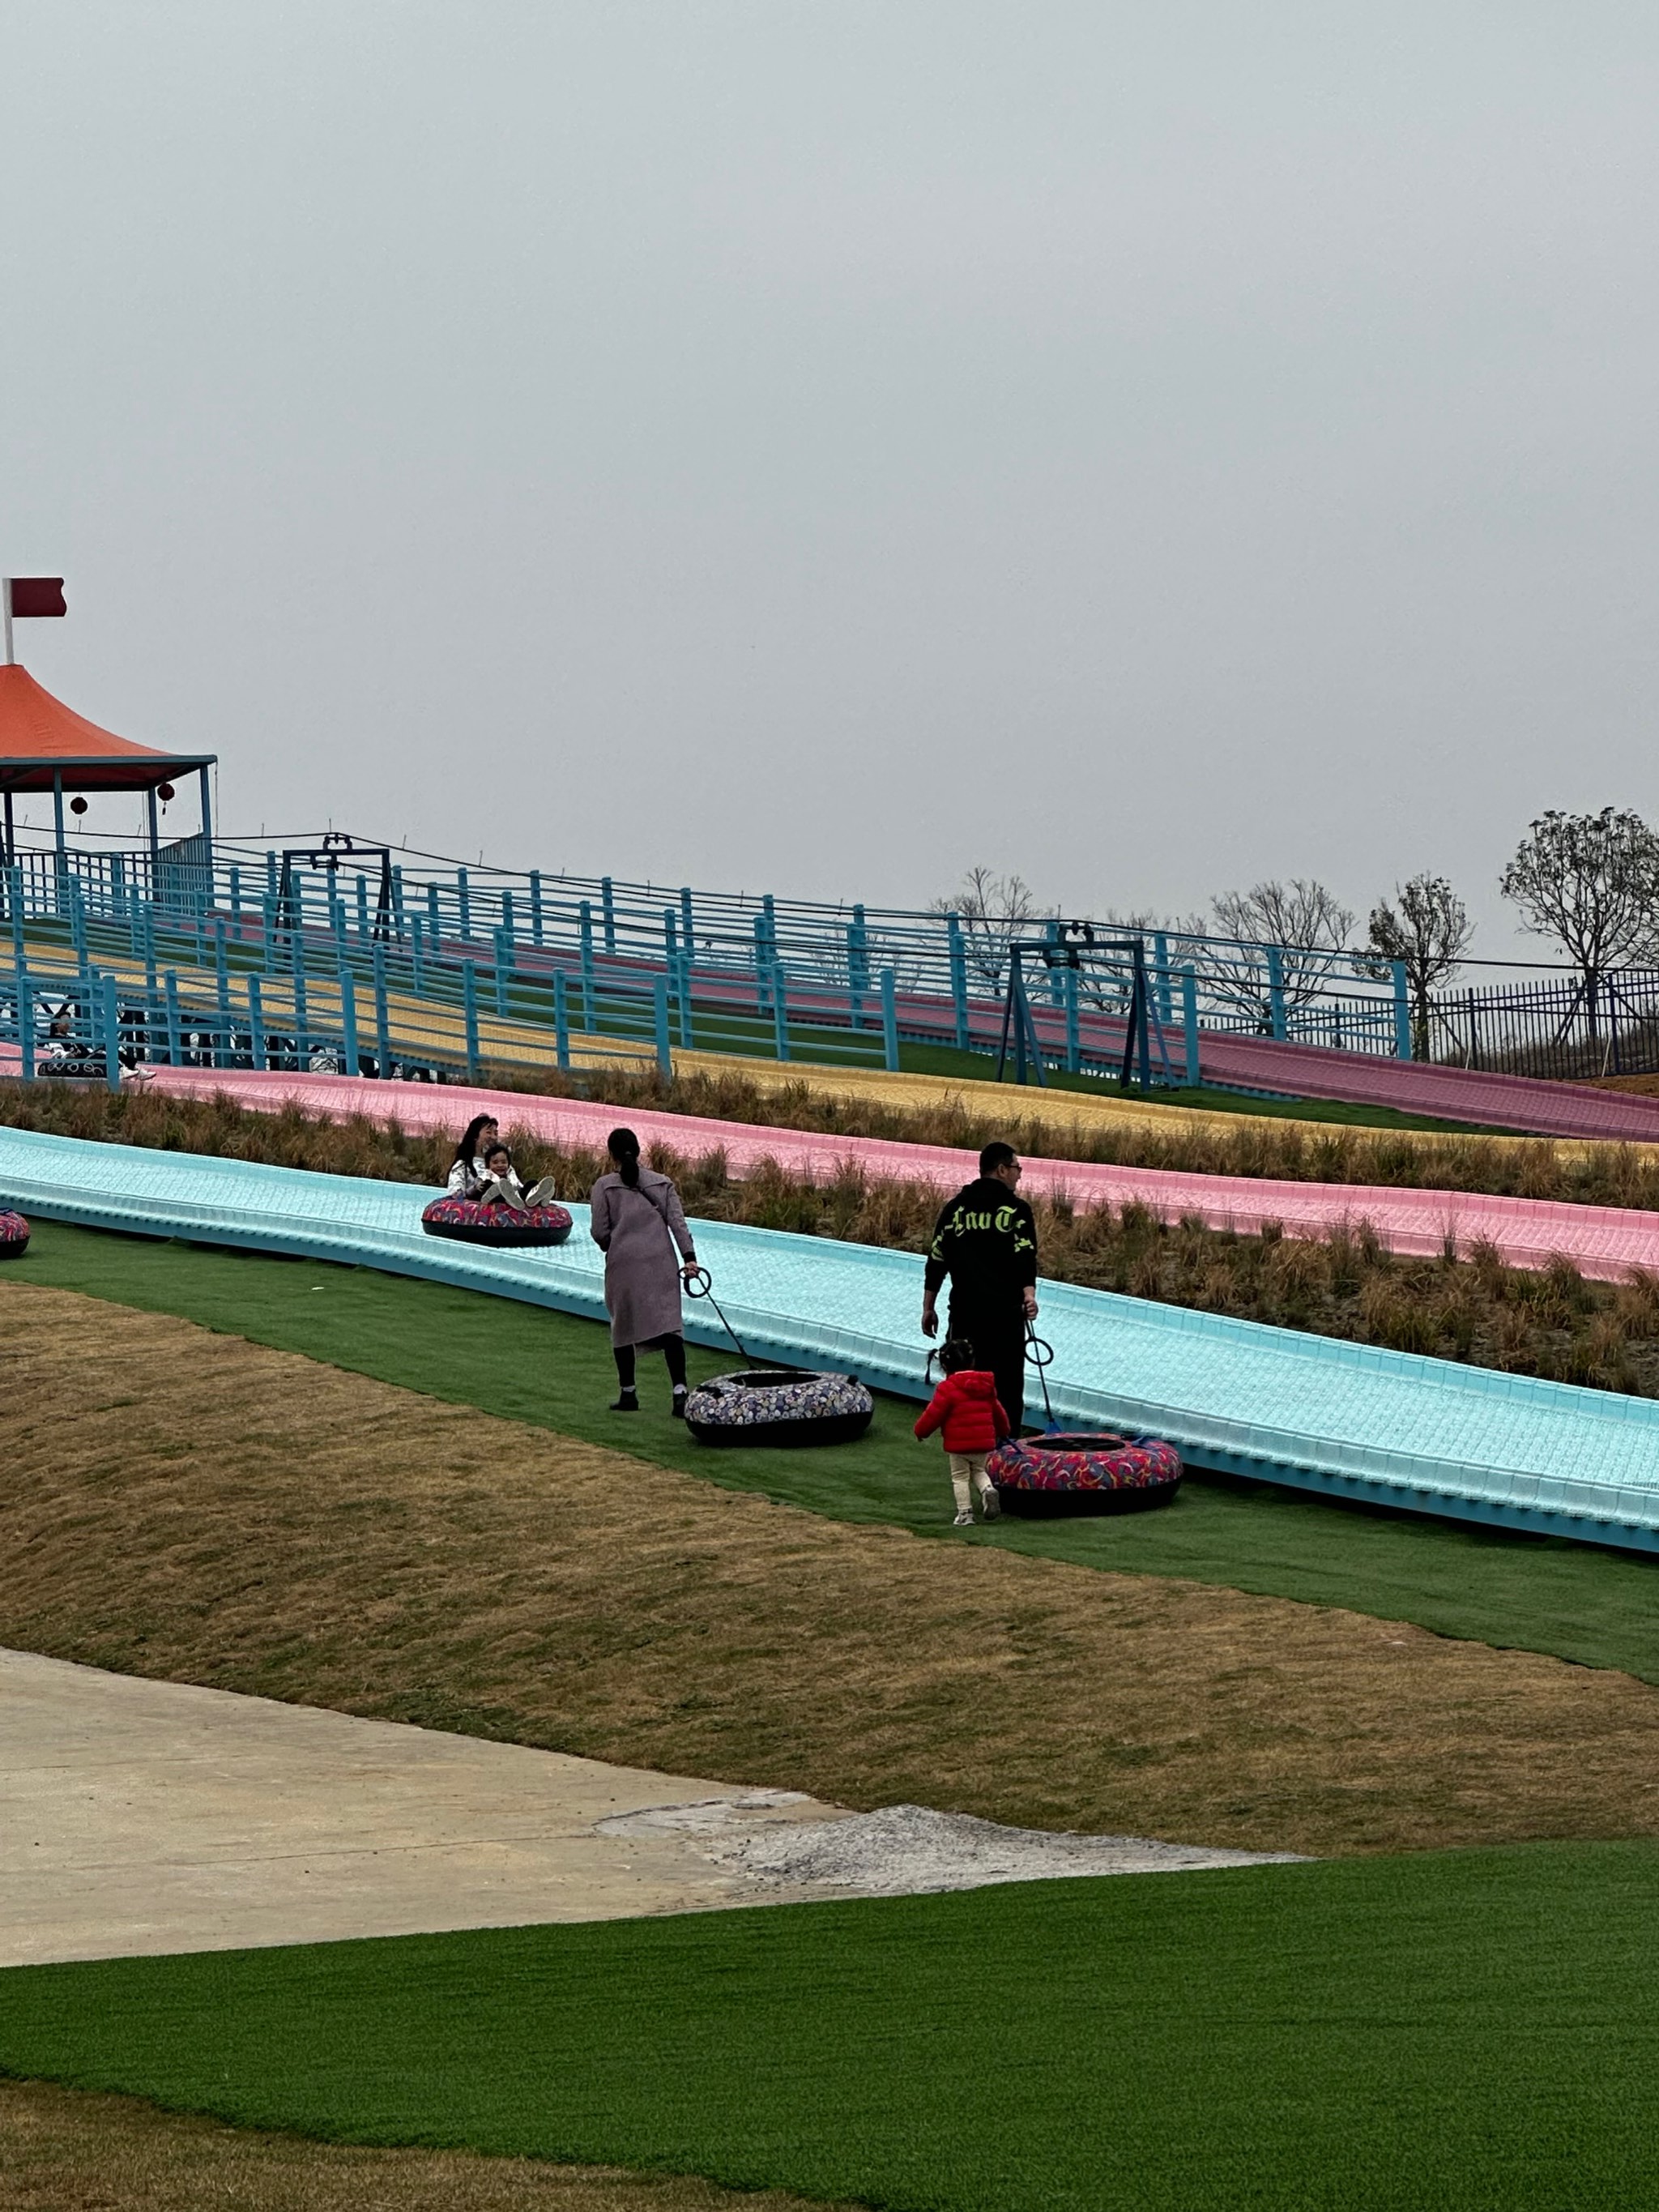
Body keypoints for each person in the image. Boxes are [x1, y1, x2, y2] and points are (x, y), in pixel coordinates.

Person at [920, 1140, 1038, 1436]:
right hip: (1006, 1317)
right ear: (1001, 1170)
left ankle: (964, 1440)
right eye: (1016, 1168)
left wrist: (928, 1306)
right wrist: (1029, 1295)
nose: (1019, 1175)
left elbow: (937, 1259)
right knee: (1007, 1384)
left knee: (962, 1381)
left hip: (964, 1314)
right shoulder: (1017, 1210)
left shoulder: (955, 1209)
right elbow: (1025, 1255)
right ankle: (1005, 1449)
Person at [589, 1126, 699, 1416]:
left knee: (622, 1326)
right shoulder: (663, 1184)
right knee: (669, 1325)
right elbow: (678, 1224)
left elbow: (599, 1231)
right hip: (660, 1261)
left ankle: (629, 1393)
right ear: (638, 1151)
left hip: (623, 1263)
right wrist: (689, 1258)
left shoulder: (604, 1186)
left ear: (611, 1153)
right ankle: (679, 1392)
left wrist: (610, 1245)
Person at [914, 1336, 1009, 1527]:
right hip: (983, 1442)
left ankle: (965, 1514)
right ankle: (987, 1489)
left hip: (958, 1444)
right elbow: (997, 1411)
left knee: (960, 1477)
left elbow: (934, 1415)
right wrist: (1004, 1430)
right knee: (979, 1470)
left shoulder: (947, 1388)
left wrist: (921, 1431)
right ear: (972, 1361)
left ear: (944, 1366)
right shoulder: (986, 1385)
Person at [473, 1142, 559, 1213]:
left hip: (515, 1195)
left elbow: (518, 1186)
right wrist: (478, 1184)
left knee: (531, 1183)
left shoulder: (510, 1173)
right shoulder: (488, 1173)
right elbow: (479, 1179)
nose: (500, 1165)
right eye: (495, 1162)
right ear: (488, 1165)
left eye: (503, 1162)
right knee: (487, 1184)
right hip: (498, 1196)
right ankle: (502, 1193)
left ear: (508, 1164)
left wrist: (522, 1191)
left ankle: (534, 1197)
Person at [446, 1114, 501, 1194]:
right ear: (475, 1136)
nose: (493, 1137)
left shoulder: (502, 1164)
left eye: (495, 1134)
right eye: (489, 1133)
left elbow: (515, 1185)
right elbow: (455, 1193)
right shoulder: (463, 1165)